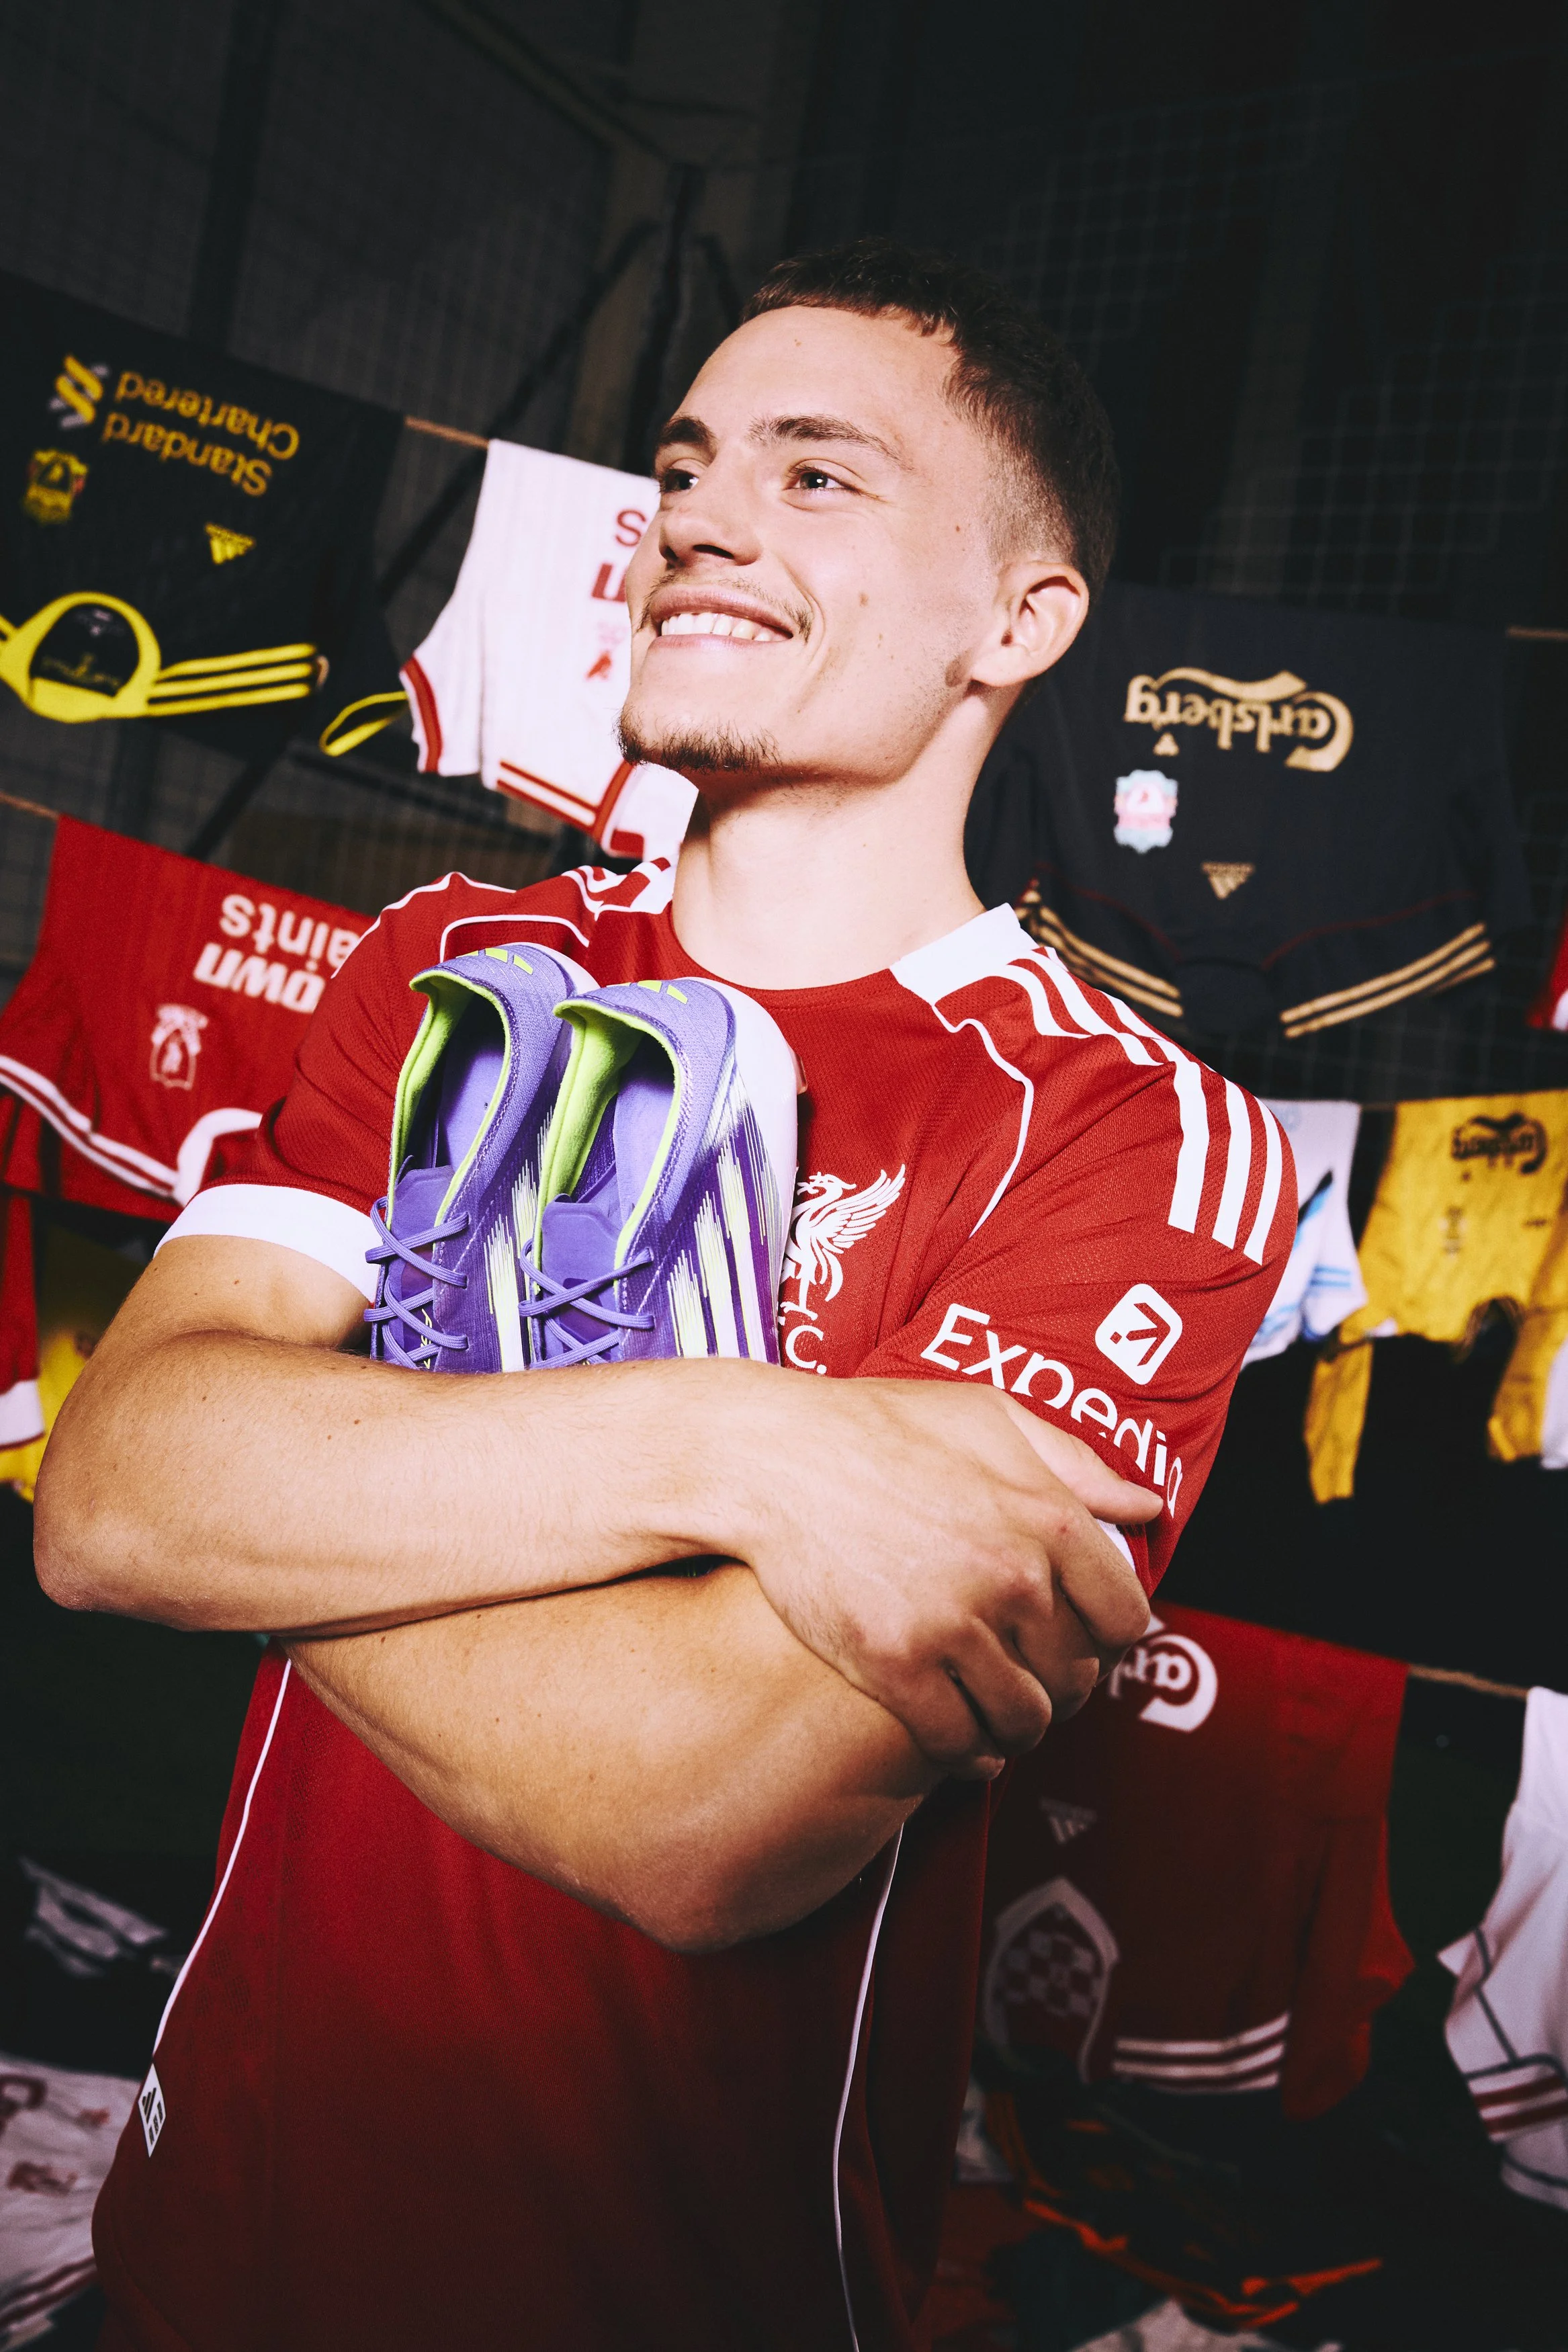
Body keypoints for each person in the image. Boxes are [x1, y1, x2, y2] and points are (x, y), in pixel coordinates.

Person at [37, 240, 1291, 2352]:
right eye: (689, 461)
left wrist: (274, 1499)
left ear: (1022, 616)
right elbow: (108, 1492)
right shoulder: (453, 949)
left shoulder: (1135, 1133)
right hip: (193, 2259)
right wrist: (751, 1442)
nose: (695, 513)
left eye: (818, 477)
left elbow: (706, 1810)